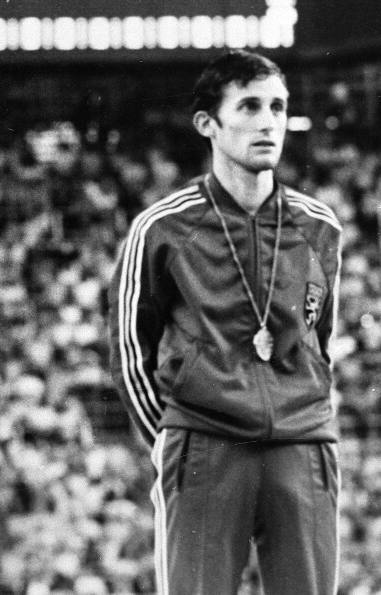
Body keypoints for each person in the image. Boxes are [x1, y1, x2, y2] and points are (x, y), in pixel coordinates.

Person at [108, 50, 342, 594]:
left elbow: (320, 340)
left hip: (302, 447)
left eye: (278, 107)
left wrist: (305, 414)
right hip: (206, 446)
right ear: (207, 124)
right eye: (250, 105)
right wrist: (172, 435)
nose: (268, 121)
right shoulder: (162, 228)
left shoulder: (321, 227)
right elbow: (128, 352)